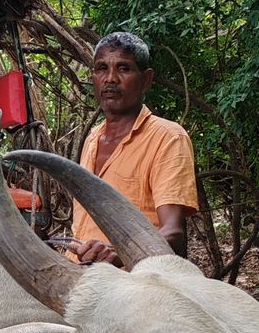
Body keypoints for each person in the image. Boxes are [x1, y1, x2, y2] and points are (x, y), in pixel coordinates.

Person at [72, 31, 197, 261]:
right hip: (84, 280)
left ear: (146, 79)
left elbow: (174, 233)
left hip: (136, 286)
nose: (110, 78)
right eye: (102, 68)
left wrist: (120, 252)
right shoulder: (92, 138)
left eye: (124, 69)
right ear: (93, 78)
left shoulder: (167, 138)